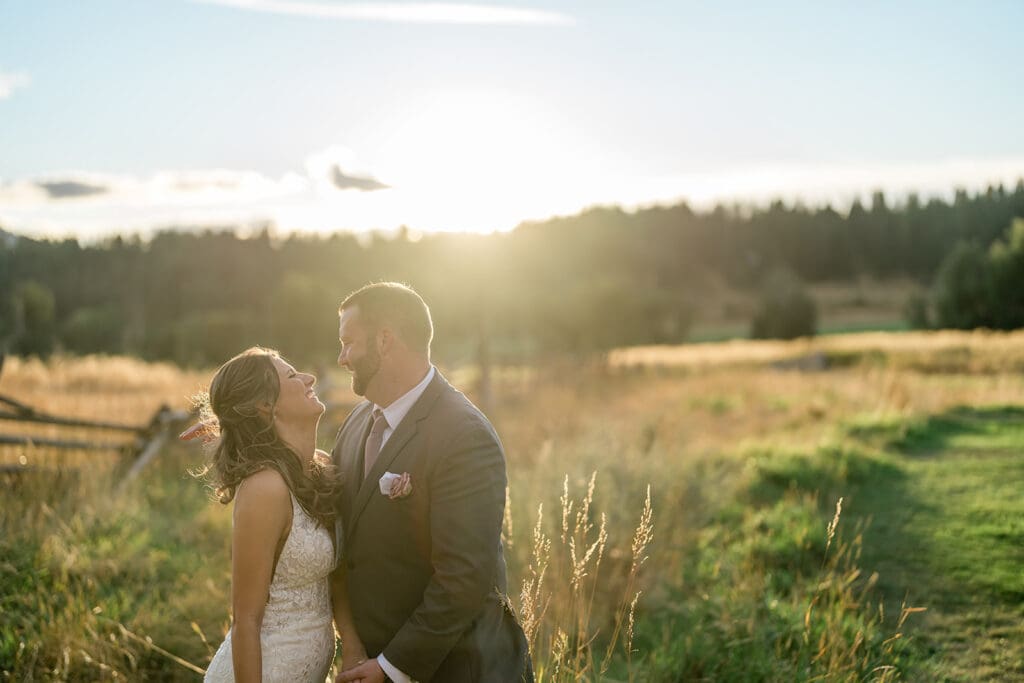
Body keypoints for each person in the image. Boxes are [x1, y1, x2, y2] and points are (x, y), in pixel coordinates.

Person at [332, 282, 532, 683]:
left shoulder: (463, 434)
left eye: (349, 343)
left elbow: (463, 576)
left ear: (385, 341)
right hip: (366, 664)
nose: (342, 358)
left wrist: (393, 666)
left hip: (455, 668)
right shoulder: (355, 424)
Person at [185, 347, 366, 682]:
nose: (310, 378)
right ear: (265, 406)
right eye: (293, 376)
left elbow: (337, 576)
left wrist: (353, 650)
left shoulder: (322, 469)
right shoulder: (265, 489)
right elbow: (246, 621)